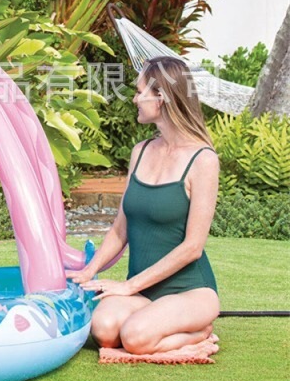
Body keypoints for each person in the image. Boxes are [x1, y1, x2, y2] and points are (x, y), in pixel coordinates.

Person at [68, 56, 219, 355]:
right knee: (104, 331)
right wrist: (89, 271)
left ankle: (197, 335)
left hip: (190, 291)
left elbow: (193, 248)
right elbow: (119, 230)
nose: (135, 99)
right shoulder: (141, 151)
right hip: (142, 292)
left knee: (135, 338)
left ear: (161, 97)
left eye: (140, 92)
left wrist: (128, 286)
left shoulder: (203, 160)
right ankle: (160, 327)